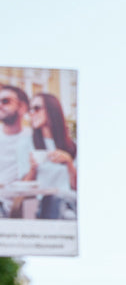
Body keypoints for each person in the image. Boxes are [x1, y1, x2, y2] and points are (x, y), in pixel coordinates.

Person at [25, 91, 76, 219]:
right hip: (43, 205)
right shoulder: (26, 143)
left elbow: (76, 187)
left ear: (52, 110)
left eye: (36, 108)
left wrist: (69, 163)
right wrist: (33, 169)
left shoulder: (73, 146)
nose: (32, 113)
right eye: (30, 110)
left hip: (70, 201)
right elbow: (23, 188)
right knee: (65, 214)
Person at [0, 85, 32, 209]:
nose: (0, 105)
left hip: (25, 206)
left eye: (6, 101)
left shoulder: (34, 139)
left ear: (22, 107)